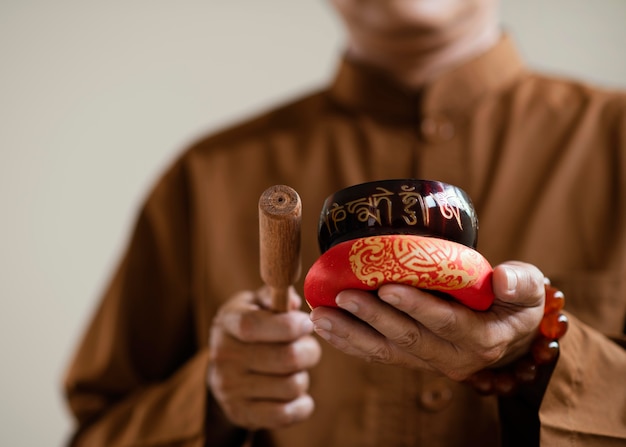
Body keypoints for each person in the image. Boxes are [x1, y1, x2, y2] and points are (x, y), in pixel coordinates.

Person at [63, 0, 626, 446]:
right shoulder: (205, 176)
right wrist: (211, 401)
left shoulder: (615, 143)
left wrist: (545, 354)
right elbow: (97, 430)